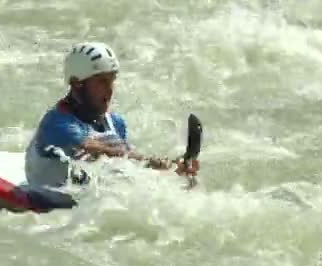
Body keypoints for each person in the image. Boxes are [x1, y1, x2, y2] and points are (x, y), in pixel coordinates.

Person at [24, 41, 199, 188]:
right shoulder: (57, 122)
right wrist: (152, 161)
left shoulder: (115, 122)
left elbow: (126, 163)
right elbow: (95, 150)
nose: (109, 90)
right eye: (102, 81)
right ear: (77, 83)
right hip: (46, 193)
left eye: (112, 80)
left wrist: (174, 169)